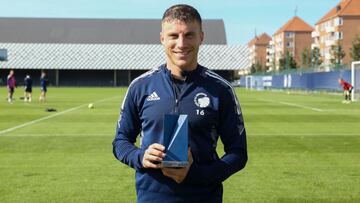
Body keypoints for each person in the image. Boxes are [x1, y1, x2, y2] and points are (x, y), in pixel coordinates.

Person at [112, 4, 247, 203]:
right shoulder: (140, 86)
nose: (181, 44)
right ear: (162, 39)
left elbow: (238, 153)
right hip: (152, 198)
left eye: (189, 35)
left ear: (201, 37)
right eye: (174, 36)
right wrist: (141, 157)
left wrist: (196, 174)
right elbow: (120, 142)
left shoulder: (221, 89)